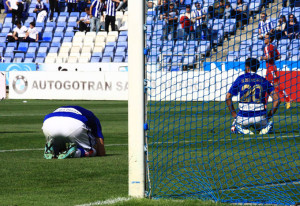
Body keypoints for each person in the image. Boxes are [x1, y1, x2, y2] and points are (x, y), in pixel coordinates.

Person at [226, 58, 280, 135]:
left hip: (243, 117)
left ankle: (241, 128)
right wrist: (269, 116)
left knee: (234, 125)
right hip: (260, 118)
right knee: (261, 123)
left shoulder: (241, 79)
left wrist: (234, 115)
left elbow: (228, 97)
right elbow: (277, 99)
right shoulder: (263, 80)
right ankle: (265, 127)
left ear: (247, 67)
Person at [261, 33, 292, 109]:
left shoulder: (267, 47)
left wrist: (262, 58)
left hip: (271, 69)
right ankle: (264, 104)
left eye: (266, 38)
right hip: (272, 68)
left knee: (276, 85)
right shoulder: (273, 46)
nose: (264, 39)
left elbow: (268, 57)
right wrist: (271, 58)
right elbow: (279, 56)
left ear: (270, 39)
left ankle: (288, 99)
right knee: (266, 86)